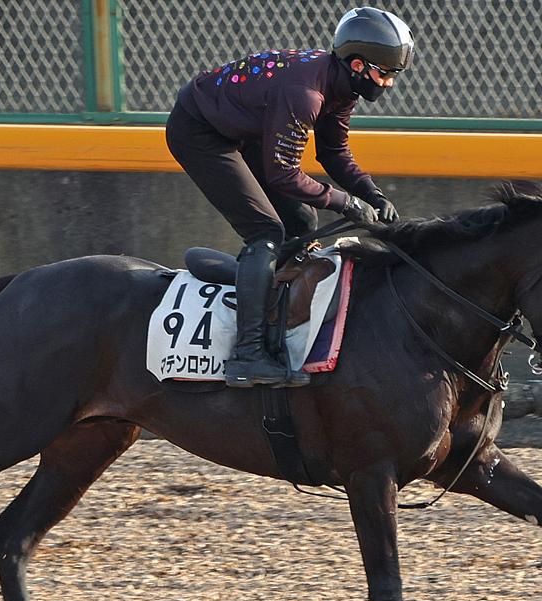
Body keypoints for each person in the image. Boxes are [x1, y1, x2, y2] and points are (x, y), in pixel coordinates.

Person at [166, 7, 413, 388]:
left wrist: (370, 192)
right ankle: (247, 355)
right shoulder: (306, 95)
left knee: (301, 223)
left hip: (241, 128)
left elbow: (333, 152)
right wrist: (346, 203)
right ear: (359, 65)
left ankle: (262, 301)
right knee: (265, 229)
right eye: (385, 74)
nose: (389, 85)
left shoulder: (341, 84)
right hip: (198, 130)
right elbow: (283, 175)